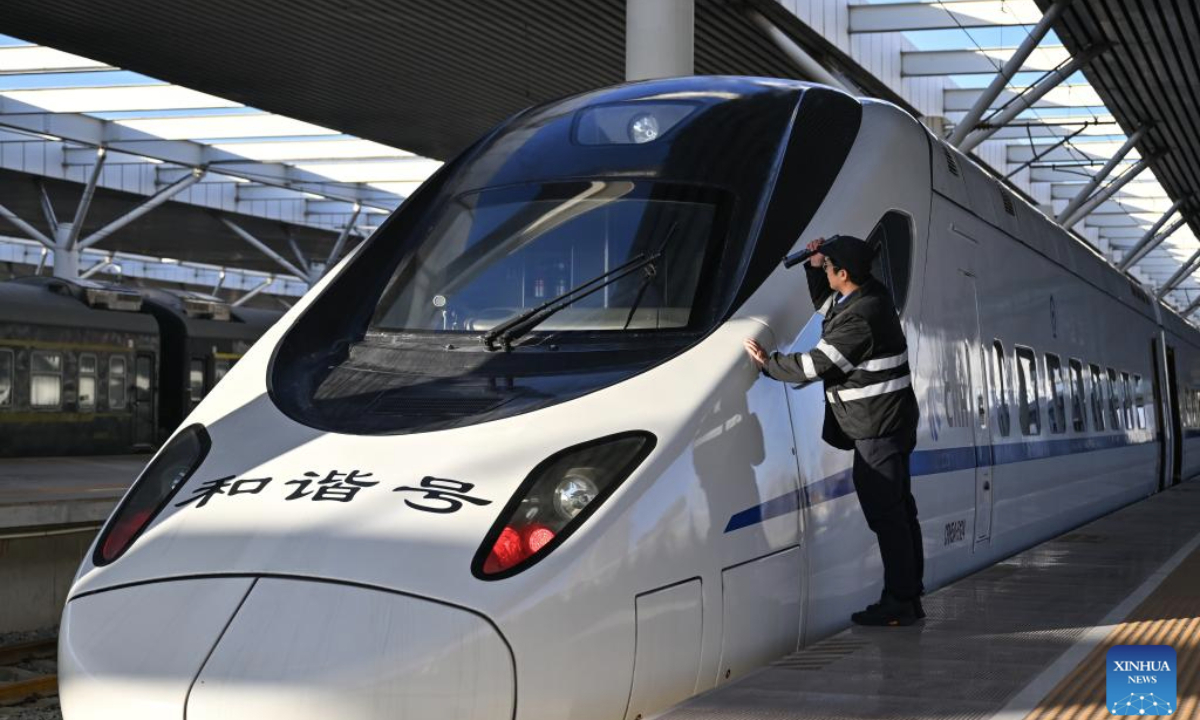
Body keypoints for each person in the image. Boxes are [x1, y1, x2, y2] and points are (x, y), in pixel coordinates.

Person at [743, 235, 924, 626]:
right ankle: (908, 596)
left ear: (844, 274)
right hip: (888, 424)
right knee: (899, 511)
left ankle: (901, 602)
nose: (825, 270)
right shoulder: (868, 295)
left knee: (888, 515)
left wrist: (768, 364)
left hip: (879, 430)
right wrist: (813, 268)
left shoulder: (862, 317)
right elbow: (830, 309)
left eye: (828, 267)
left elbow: (817, 364)